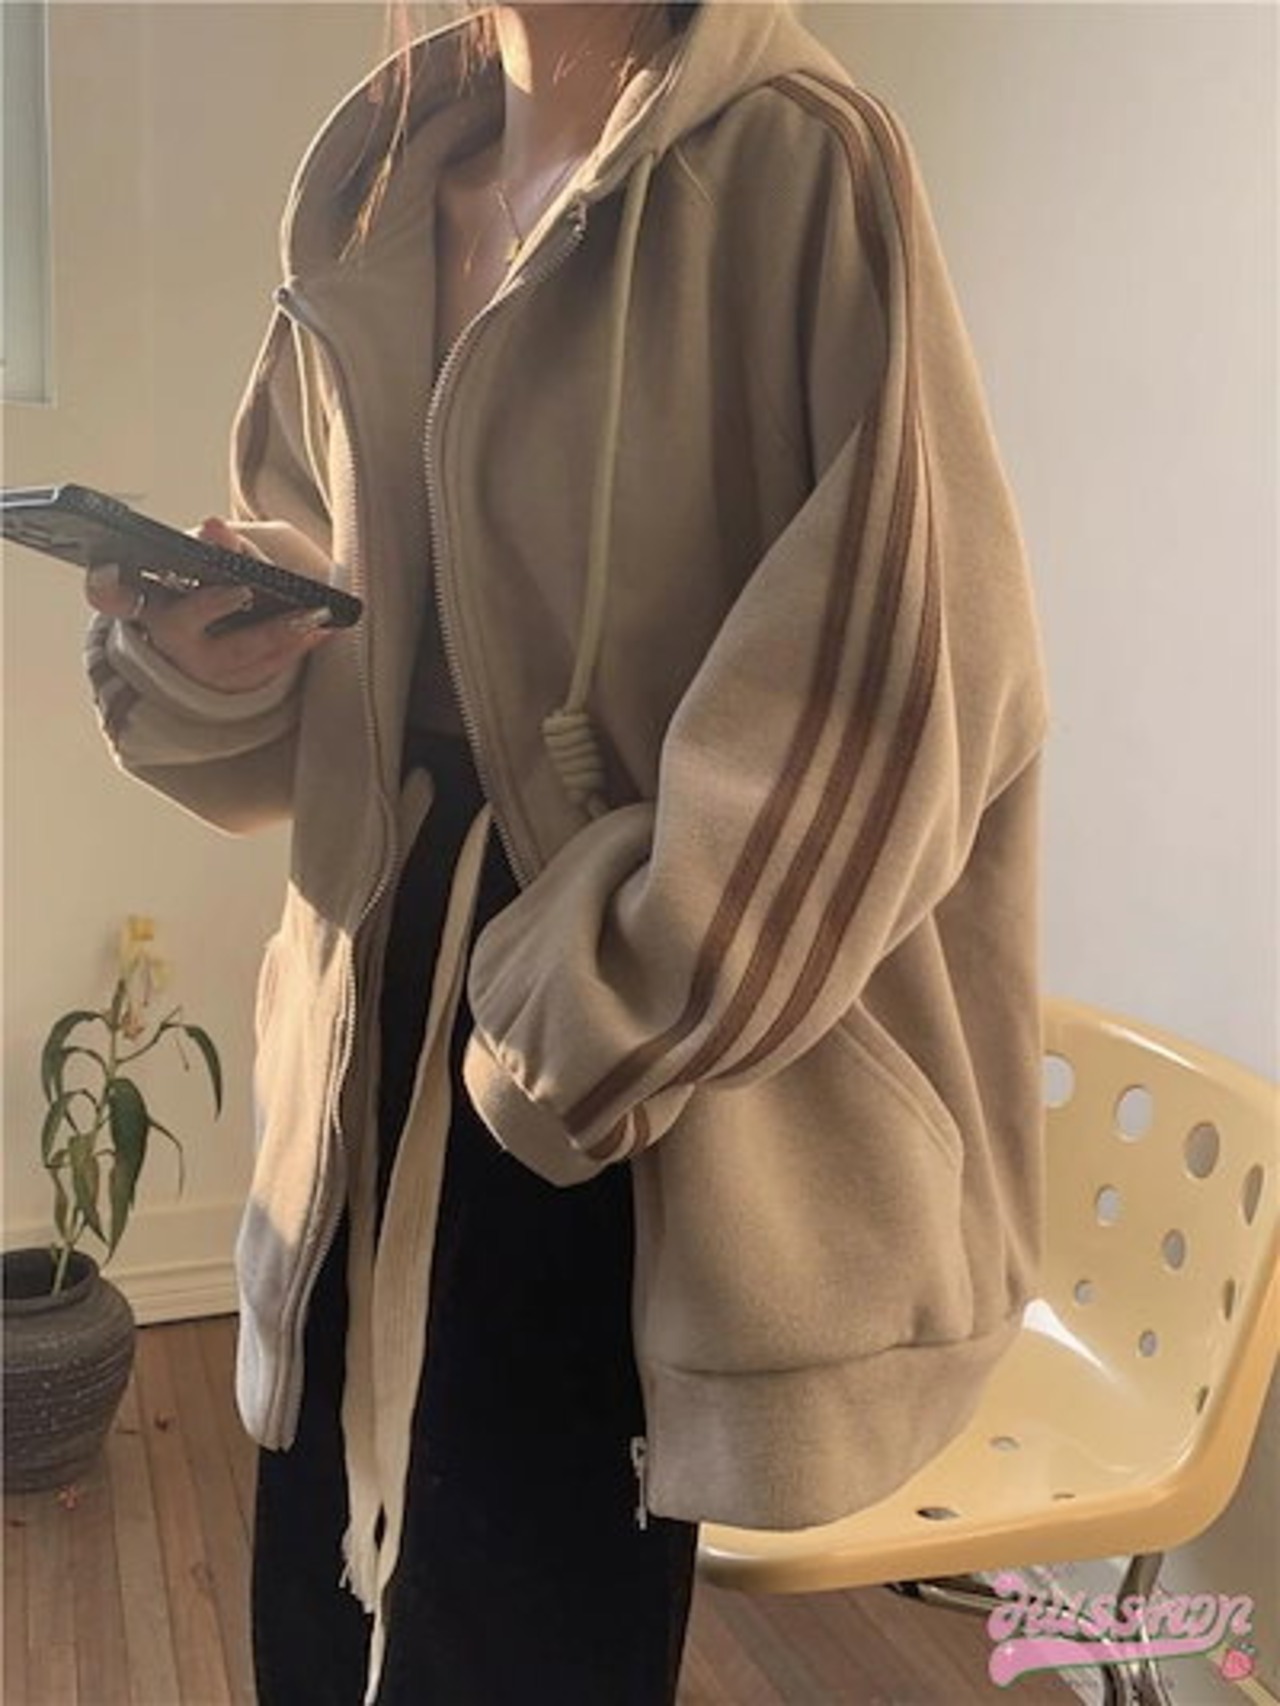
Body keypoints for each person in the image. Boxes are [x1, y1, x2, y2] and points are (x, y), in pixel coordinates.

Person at [85, 2, 1050, 1701]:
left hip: (607, 1068)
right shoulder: (376, 186)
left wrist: (612, 992)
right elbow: (331, 607)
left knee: (522, 1633)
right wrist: (208, 648)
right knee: (312, 1607)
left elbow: (908, 679)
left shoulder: (798, 164)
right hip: (363, 1015)